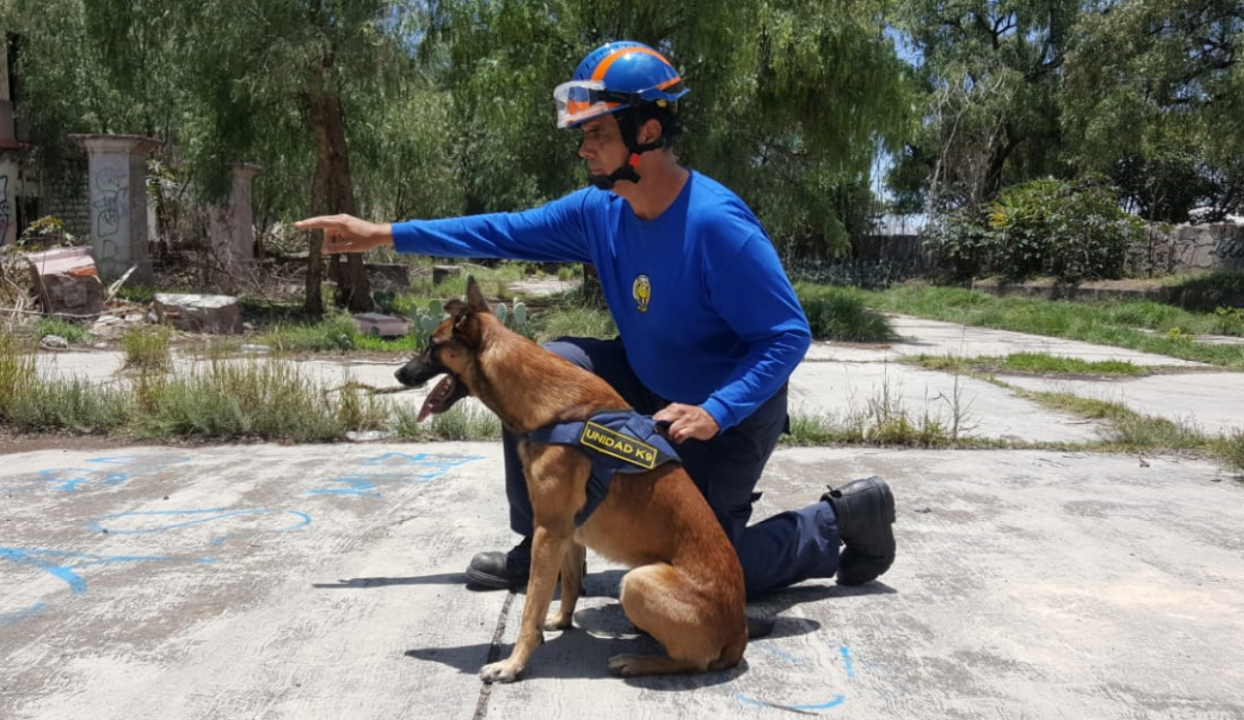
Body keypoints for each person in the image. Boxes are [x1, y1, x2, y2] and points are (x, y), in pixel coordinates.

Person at [295, 40, 896, 597]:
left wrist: (716, 411)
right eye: (582, 134)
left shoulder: (716, 227)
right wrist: (383, 234)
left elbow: (787, 335)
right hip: (646, 384)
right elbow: (499, 229)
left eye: (599, 134)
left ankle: (842, 518)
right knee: (543, 368)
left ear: (649, 130)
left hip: (725, 415)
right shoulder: (599, 210)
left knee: (708, 572)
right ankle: (542, 546)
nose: (584, 148)